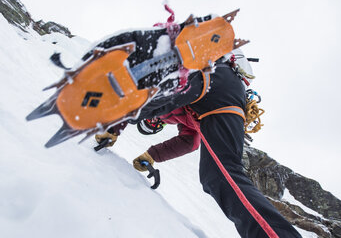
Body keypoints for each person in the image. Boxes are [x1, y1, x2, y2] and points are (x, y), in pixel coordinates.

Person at [95, 50, 302, 238]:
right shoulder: (183, 118)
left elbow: (156, 98)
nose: (153, 120)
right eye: (151, 124)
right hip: (220, 97)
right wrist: (152, 155)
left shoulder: (165, 99)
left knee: (223, 174)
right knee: (217, 176)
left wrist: (114, 126)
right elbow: (190, 141)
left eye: (150, 122)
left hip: (213, 81)